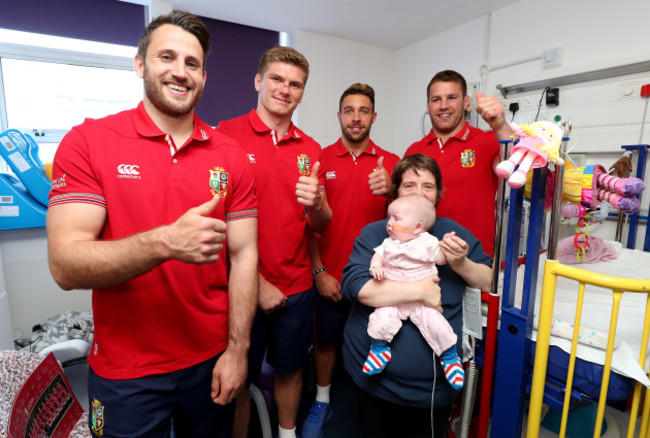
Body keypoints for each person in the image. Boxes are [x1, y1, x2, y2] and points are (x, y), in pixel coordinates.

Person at [46, 10, 258, 438]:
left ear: (203, 76)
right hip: (127, 372)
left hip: (211, 359)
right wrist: (164, 242)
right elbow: (65, 265)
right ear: (140, 64)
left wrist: (238, 350)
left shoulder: (230, 155)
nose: (180, 72)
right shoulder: (88, 142)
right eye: (167, 57)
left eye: (192, 63)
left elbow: (244, 254)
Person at [218, 46, 332, 438]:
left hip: (297, 286)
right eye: (277, 79)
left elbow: (320, 222)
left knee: (290, 372)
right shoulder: (225, 137)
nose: (285, 89)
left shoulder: (310, 149)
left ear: (302, 92)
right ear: (258, 81)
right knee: (238, 381)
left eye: (295, 84)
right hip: (242, 286)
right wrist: (257, 283)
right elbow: (214, 218)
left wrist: (317, 202)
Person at [341, 153, 492, 438]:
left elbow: (487, 280)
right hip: (375, 384)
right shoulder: (378, 233)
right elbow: (356, 287)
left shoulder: (453, 234)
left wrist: (461, 263)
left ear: (438, 195)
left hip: (432, 391)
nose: (419, 193)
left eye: (428, 186)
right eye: (409, 185)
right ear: (396, 191)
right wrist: (420, 291)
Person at [301, 83, 399, 438]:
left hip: (377, 280)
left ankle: (368, 402)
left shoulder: (390, 163)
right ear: (339, 115)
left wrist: (391, 190)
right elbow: (309, 225)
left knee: (376, 341)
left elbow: (407, 223)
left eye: (363, 111)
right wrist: (319, 271)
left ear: (373, 117)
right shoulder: (320, 159)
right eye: (349, 110)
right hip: (332, 276)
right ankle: (323, 400)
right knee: (326, 342)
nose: (356, 118)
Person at [404, 70, 513, 257]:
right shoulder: (414, 150)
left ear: (465, 102)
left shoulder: (488, 141)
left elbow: (513, 165)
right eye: (436, 99)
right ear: (428, 105)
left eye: (451, 98)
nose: (443, 106)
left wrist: (501, 126)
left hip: (474, 259)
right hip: (424, 259)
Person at [363, 194, 464, 391]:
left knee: (436, 323)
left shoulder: (427, 241)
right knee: (380, 318)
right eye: (389, 217)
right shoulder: (388, 243)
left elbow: (441, 259)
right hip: (393, 296)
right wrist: (375, 267)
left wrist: (446, 246)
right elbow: (377, 257)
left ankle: (450, 357)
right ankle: (379, 349)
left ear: (418, 227)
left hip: (422, 300)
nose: (389, 223)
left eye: (396, 218)